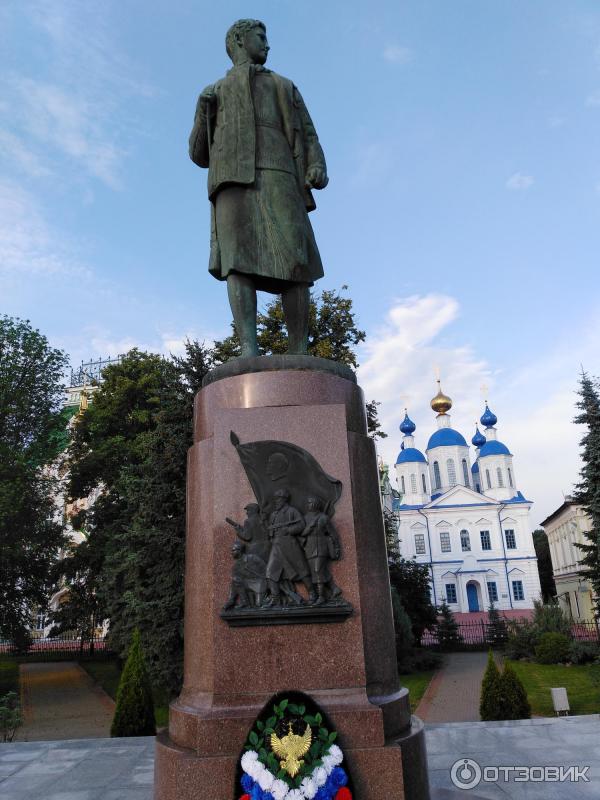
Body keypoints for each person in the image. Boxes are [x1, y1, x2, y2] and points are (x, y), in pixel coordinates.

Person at [189, 19, 328, 357]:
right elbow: (198, 154)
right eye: (261, 38)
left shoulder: (283, 85)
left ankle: (299, 349)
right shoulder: (214, 92)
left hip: (279, 171)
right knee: (237, 261)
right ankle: (247, 348)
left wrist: (316, 163)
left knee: (297, 260)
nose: (267, 45)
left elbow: (307, 131)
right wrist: (201, 113)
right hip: (231, 178)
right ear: (239, 40)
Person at [265, 488, 316, 605]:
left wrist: (288, 530)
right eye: (275, 499)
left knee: (302, 569)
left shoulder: (291, 511)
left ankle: (313, 593)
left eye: (278, 499)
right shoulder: (273, 514)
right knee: (270, 572)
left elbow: (301, 524)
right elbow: (270, 529)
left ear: (284, 500)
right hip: (276, 546)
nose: (276, 501)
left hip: (289, 544)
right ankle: (275, 598)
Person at [302, 496, 342, 604]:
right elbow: (302, 533)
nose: (308, 505)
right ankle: (334, 589)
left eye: (310, 503)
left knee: (317, 570)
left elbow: (332, 534)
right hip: (309, 547)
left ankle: (321, 596)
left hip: (321, 545)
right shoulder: (305, 518)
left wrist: (337, 547)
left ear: (315, 504)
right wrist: (309, 527)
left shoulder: (323, 518)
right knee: (316, 571)